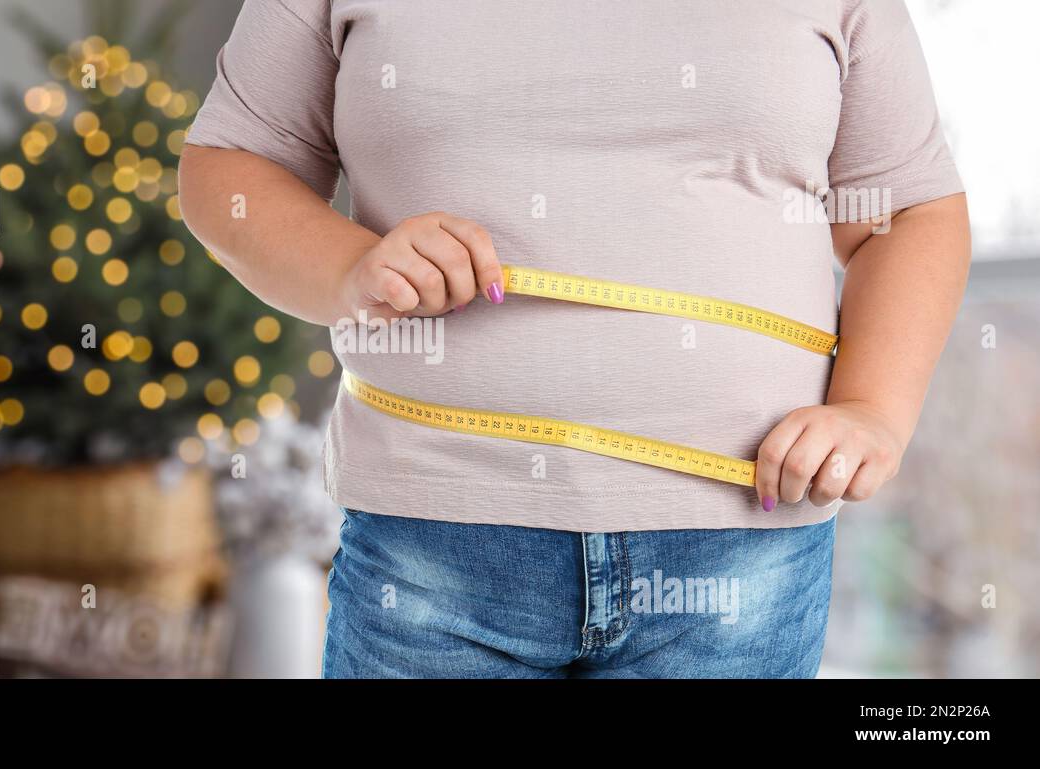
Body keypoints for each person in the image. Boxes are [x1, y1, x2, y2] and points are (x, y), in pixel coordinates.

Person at [179, 0, 970, 678]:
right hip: (431, 541)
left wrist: (873, 407)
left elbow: (908, 212)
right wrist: (353, 270)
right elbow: (230, 168)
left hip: (744, 546)